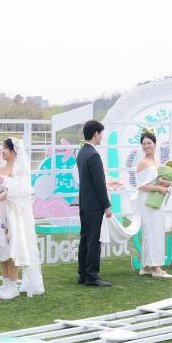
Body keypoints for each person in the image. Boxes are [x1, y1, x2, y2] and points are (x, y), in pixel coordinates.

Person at [0, 137, 44, 299]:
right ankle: (5, 284)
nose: (2, 151)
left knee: (11, 249)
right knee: (1, 248)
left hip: (10, 214)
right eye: (2, 147)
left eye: (5, 148)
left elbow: (10, 193)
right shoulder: (0, 168)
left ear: (13, 151)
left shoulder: (19, 171)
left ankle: (13, 286)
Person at [76, 119, 112, 287]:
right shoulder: (94, 155)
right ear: (96, 133)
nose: (102, 137)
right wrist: (107, 205)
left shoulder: (82, 153)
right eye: (101, 134)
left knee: (85, 238)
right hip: (94, 205)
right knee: (93, 240)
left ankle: (83, 273)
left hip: (84, 203)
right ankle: (92, 275)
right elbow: (99, 184)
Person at [133, 130, 172, 279]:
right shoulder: (142, 163)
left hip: (157, 200)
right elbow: (141, 186)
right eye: (144, 144)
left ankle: (145, 267)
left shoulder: (156, 162)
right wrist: (159, 188)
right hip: (147, 200)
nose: (146, 146)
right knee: (151, 231)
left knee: (156, 231)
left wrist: (164, 183)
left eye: (149, 143)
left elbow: (157, 180)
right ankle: (156, 267)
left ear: (155, 144)